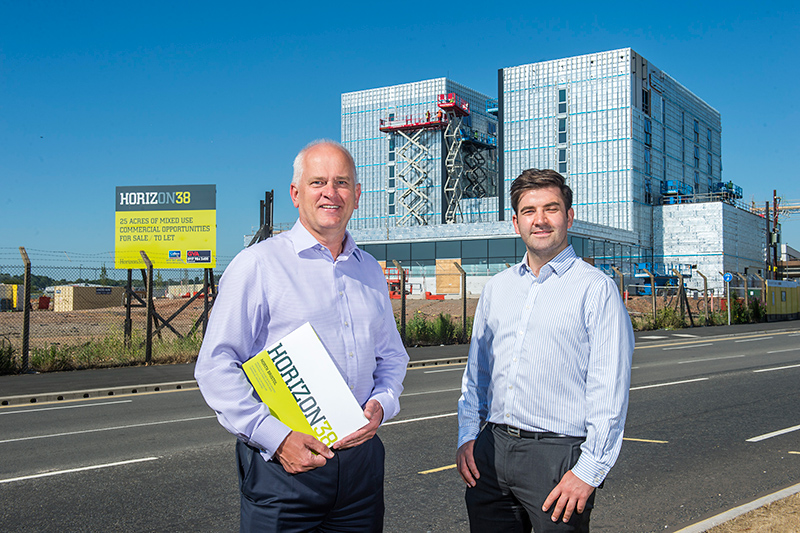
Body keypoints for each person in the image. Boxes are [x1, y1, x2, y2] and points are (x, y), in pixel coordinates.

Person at [195, 140, 409, 532]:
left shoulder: (370, 271)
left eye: (342, 182)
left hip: (361, 470)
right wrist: (276, 439)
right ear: (296, 194)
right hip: (285, 471)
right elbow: (215, 366)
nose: (331, 192)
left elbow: (392, 357)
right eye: (318, 182)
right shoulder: (258, 265)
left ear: (357, 196)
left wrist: (383, 402)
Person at [456, 168, 634, 532]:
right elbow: (477, 375)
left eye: (551, 209)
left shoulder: (595, 290)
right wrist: (467, 436)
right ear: (515, 221)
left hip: (557, 458)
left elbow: (608, 389)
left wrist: (589, 471)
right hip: (491, 451)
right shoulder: (497, 288)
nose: (539, 220)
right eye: (528, 211)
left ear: (568, 217)